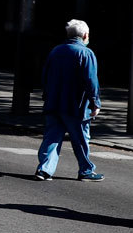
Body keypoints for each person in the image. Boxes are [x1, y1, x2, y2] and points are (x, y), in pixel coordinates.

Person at [35, 19, 103, 182]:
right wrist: (95, 103)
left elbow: (45, 76)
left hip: (54, 103)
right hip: (76, 106)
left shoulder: (56, 51)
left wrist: (47, 96)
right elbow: (91, 81)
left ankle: (44, 170)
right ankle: (86, 170)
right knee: (80, 140)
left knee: (51, 138)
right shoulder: (86, 53)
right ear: (85, 35)